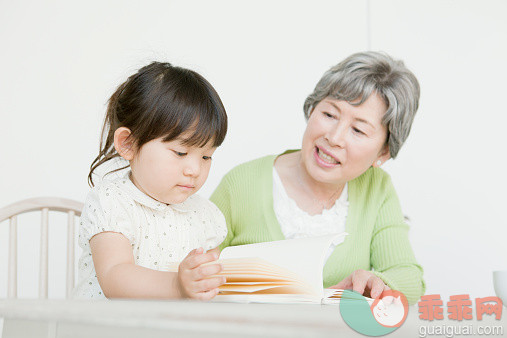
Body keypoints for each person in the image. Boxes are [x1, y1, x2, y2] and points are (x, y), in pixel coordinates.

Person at [210, 51, 425, 305]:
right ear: (312, 108)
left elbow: (410, 280)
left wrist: (377, 283)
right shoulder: (240, 184)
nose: (334, 137)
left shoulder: (377, 190)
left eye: (358, 130)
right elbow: (190, 269)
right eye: (329, 115)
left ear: (383, 153)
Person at [73, 62, 228, 300]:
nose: (195, 169)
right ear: (128, 143)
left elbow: (210, 282)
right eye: (180, 153)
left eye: (207, 156)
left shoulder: (205, 215)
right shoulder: (111, 203)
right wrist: (177, 285)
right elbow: (115, 276)